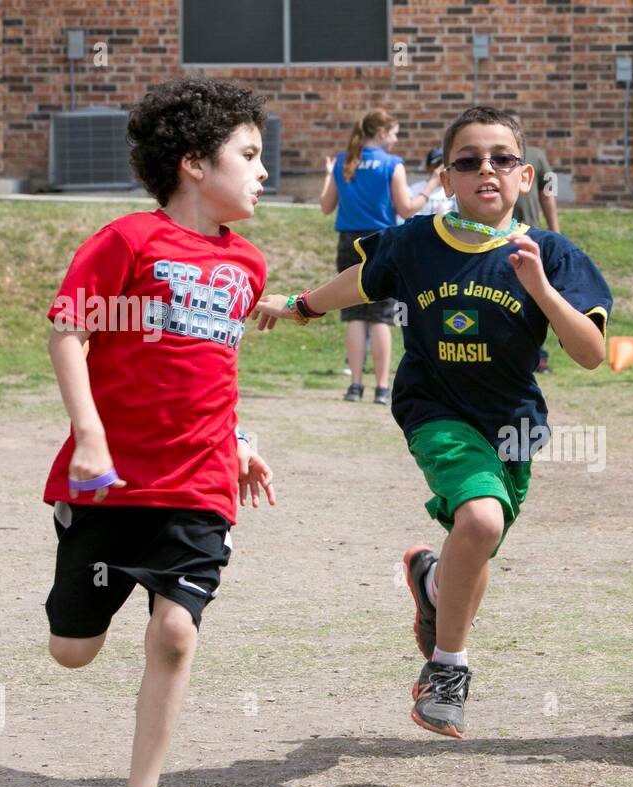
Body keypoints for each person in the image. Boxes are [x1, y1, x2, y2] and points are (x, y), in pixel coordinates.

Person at [253, 106, 612, 738]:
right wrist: (300, 307)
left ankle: (432, 580)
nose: (486, 171)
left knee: (478, 543)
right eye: (468, 161)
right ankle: (448, 671)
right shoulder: (418, 243)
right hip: (435, 408)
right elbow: (363, 280)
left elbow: (590, 353)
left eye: (501, 159)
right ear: (446, 179)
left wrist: (542, 290)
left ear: (525, 176)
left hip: (515, 423)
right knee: (479, 517)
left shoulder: (552, 253)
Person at [42, 77, 277, 787]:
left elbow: (212, 365)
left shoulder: (249, 265)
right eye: (248, 155)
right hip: (109, 484)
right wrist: (89, 435)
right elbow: (69, 332)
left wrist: (237, 437)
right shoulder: (128, 243)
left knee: (175, 635)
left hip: (199, 485)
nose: (263, 170)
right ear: (192, 165)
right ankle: (83, 609)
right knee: (72, 650)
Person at [322, 109, 443, 404]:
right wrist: (431, 185)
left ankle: (354, 385)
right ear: (381, 133)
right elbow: (406, 209)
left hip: (348, 241)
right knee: (380, 316)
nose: (396, 138)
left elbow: (326, 207)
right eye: (394, 132)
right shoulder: (392, 164)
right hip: (380, 241)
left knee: (352, 313)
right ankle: (381, 388)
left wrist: (329, 174)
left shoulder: (343, 161)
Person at [511, 112, 560, 373]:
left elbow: (548, 194)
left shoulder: (536, 156)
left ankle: (538, 355)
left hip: (529, 235)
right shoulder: (495, 157)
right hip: (499, 236)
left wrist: (555, 232)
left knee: (534, 297)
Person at [405, 147, 454, 218]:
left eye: (445, 165)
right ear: (428, 167)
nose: (442, 169)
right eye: (437, 165)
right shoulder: (415, 188)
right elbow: (409, 215)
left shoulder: (456, 186)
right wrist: (433, 182)